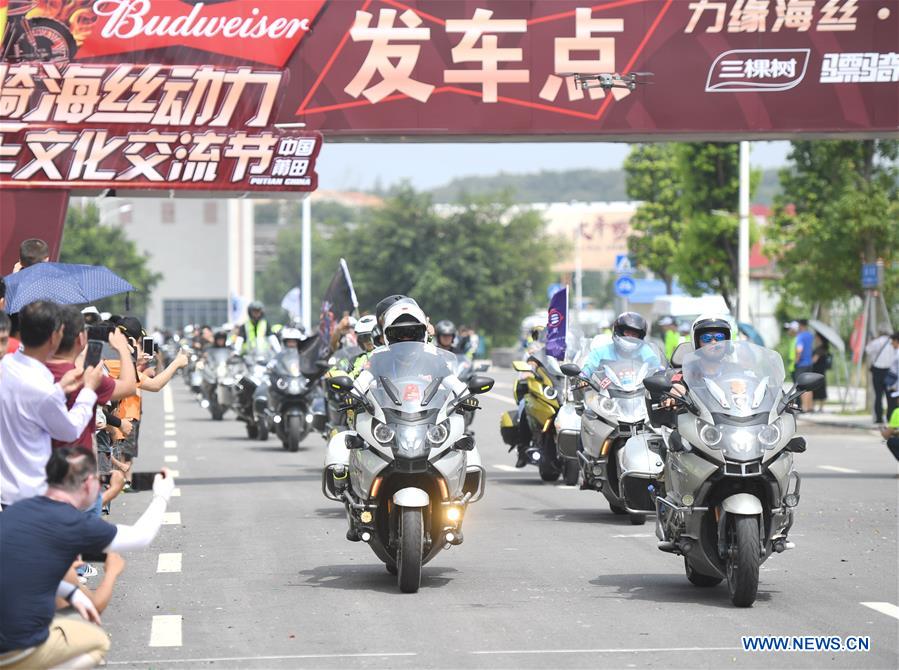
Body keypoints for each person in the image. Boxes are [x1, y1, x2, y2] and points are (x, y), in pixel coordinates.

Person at [0, 448, 176, 669]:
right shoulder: (70, 521)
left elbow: (21, 572)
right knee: (97, 641)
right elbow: (141, 537)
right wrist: (162, 495)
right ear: (88, 483)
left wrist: (71, 592)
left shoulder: (18, 510)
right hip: (15, 649)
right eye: (100, 481)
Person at [0, 301, 103, 508]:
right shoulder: (40, 387)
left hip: (8, 492)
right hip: (32, 494)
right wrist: (89, 390)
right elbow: (70, 430)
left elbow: (28, 406)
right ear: (55, 336)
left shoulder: (7, 365)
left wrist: (59, 390)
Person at [581, 312, 660, 378]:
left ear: (640, 337)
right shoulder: (600, 352)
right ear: (618, 331)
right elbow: (588, 368)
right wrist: (582, 377)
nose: (630, 337)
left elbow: (657, 368)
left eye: (634, 334)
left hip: (639, 391)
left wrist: (662, 376)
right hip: (605, 391)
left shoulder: (645, 351)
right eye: (627, 332)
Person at [866, 327, 896, 425]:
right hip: (889, 371)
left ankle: (879, 418)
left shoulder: (876, 342)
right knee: (890, 396)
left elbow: (867, 350)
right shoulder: (893, 342)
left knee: (878, 395)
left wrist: (873, 341)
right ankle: (890, 417)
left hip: (877, 371)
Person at [793, 319, 815, 412]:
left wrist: (796, 360)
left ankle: (804, 407)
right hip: (809, 363)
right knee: (809, 386)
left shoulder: (800, 336)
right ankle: (810, 407)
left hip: (801, 364)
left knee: (801, 386)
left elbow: (799, 349)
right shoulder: (810, 335)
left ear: (801, 326)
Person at [811, 335, 831, 413]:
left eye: (816, 338)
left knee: (816, 388)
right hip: (822, 371)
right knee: (821, 388)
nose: (815, 340)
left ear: (820, 339)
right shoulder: (824, 349)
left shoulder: (819, 349)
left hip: (817, 371)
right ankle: (821, 407)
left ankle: (815, 406)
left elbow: (814, 360)